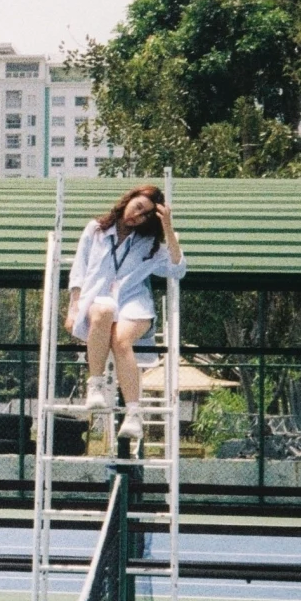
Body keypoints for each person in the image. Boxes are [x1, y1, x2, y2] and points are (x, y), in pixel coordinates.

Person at [66, 183, 187, 446]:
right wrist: (74, 308)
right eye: (138, 207)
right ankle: (95, 384)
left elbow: (178, 268)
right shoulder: (95, 230)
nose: (137, 216)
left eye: (145, 215)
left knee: (122, 341)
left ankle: (134, 413)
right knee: (104, 309)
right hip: (98, 302)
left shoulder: (148, 244)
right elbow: (78, 270)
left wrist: (167, 227)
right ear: (129, 199)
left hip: (134, 304)